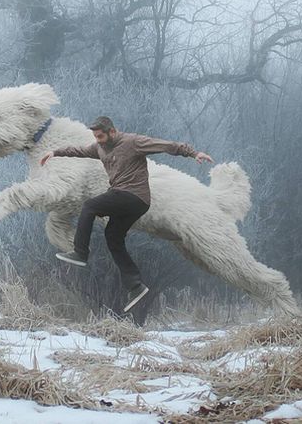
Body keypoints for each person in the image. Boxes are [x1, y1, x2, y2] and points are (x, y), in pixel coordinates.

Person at [39, 116, 213, 312]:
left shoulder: (133, 142)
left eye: (101, 136)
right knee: (113, 237)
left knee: (89, 206)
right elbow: (78, 150)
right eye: (96, 137)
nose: (99, 140)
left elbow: (166, 145)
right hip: (132, 203)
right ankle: (135, 285)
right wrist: (54, 152)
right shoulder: (98, 147)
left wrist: (194, 153)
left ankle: (80, 252)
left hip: (132, 195)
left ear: (112, 132)